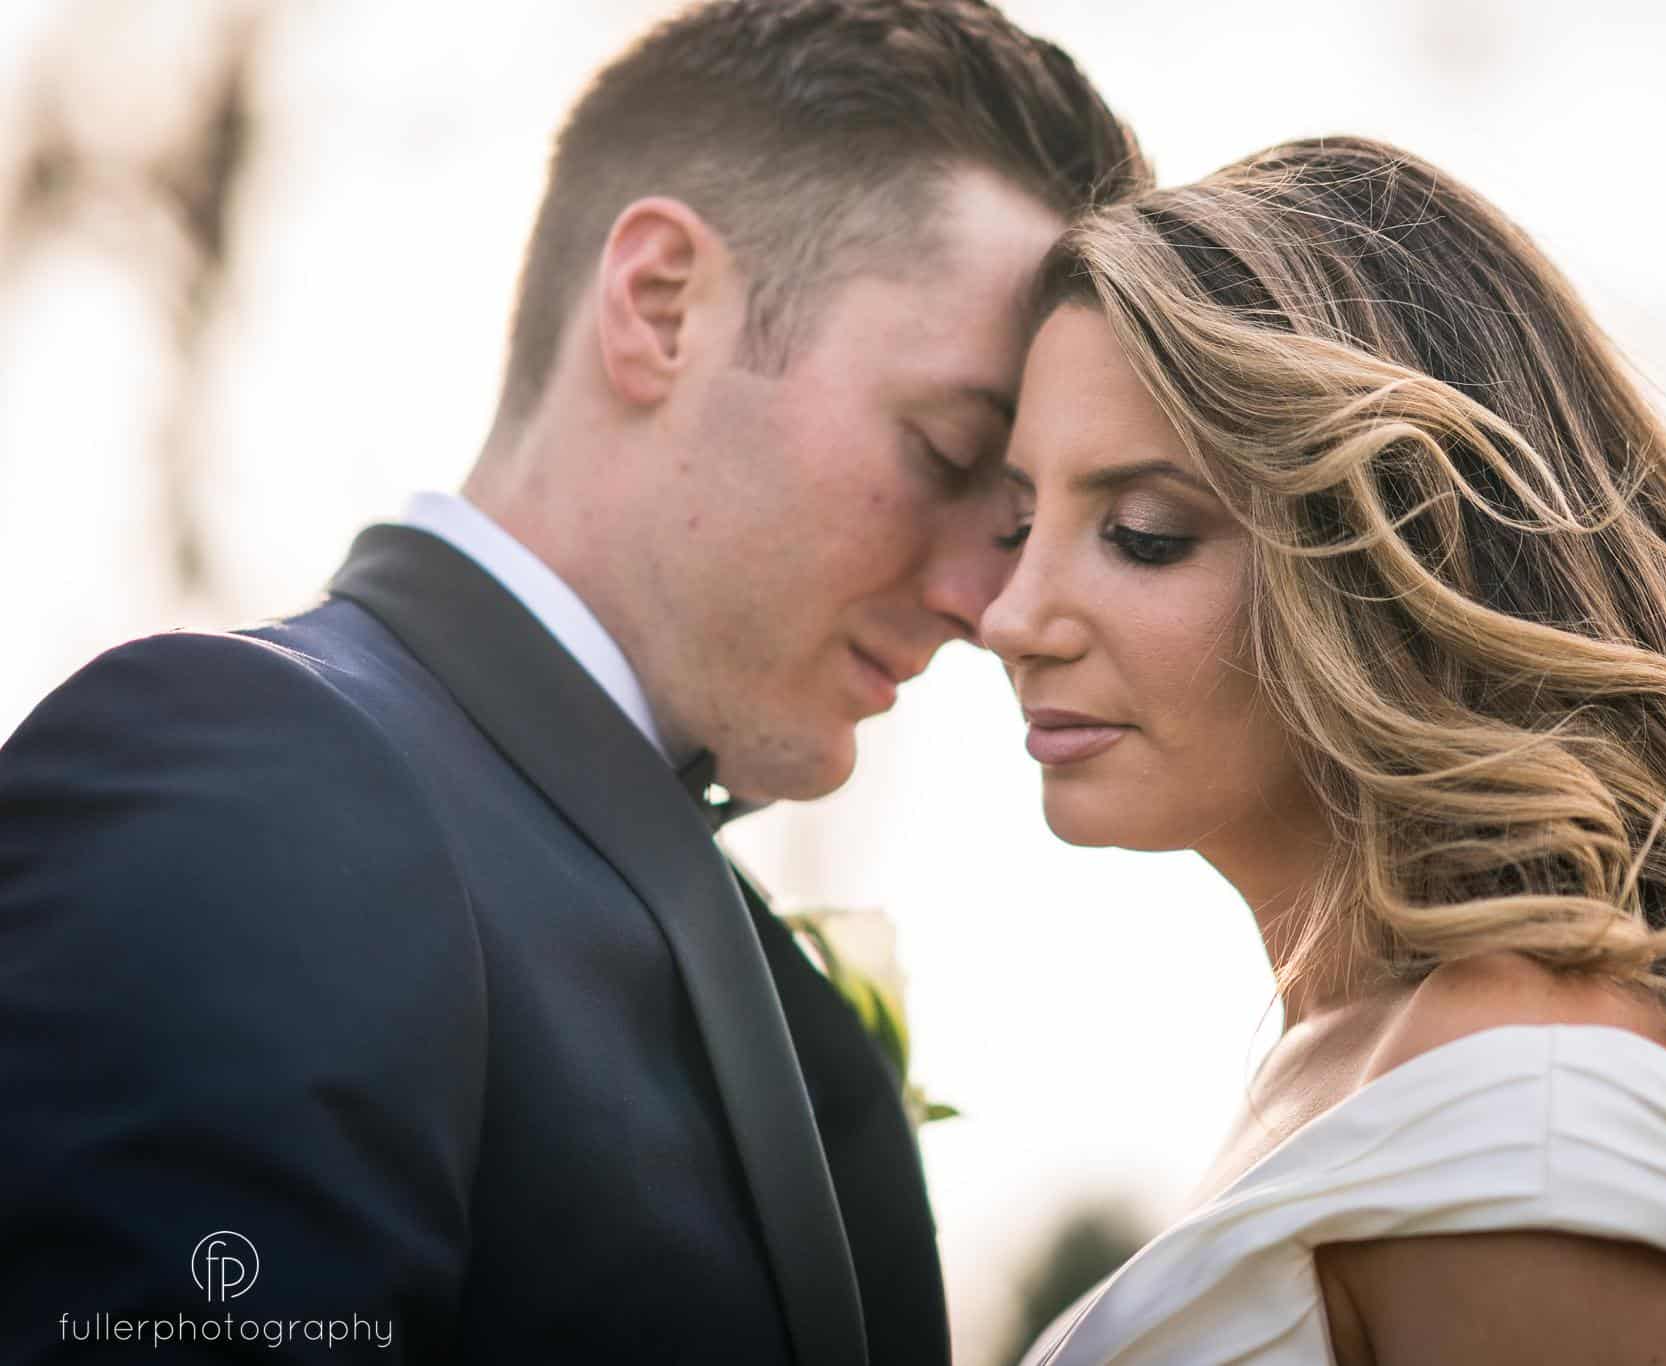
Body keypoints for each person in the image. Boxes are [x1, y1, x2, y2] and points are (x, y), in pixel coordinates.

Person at [0, 3, 1141, 1363]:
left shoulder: (749, 973)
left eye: (1012, 515)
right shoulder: (251, 784)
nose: (990, 601)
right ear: (661, 304)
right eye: (952, 451)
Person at [986, 137, 1666, 1365]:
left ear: (1395, 563)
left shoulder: (1534, 1125)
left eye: (1141, 531)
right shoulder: (1375, 1057)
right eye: (1016, 518)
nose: (1009, 616)